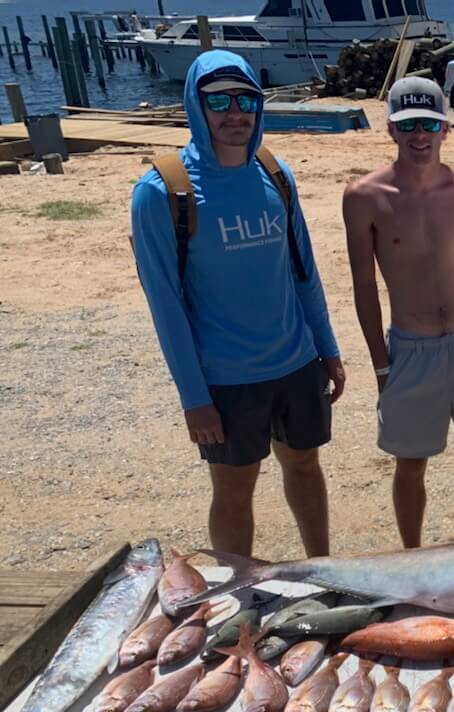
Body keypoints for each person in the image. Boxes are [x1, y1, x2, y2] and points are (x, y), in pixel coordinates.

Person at [131, 51, 344, 558]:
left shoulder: (275, 173)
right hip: (227, 378)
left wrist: (328, 349)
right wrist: (194, 397)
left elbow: (303, 271)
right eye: (219, 101)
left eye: (246, 100)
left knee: (304, 465)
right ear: (196, 104)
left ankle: (322, 568)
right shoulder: (162, 192)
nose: (234, 113)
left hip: (296, 361)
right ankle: (235, 585)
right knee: (234, 487)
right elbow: (166, 307)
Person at [343, 77, 454, 547]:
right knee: (410, 463)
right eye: (408, 124)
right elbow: (364, 285)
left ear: (445, 129)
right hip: (410, 347)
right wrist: (380, 363)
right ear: (391, 129)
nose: (419, 135)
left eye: (429, 125)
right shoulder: (364, 196)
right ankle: (411, 553)